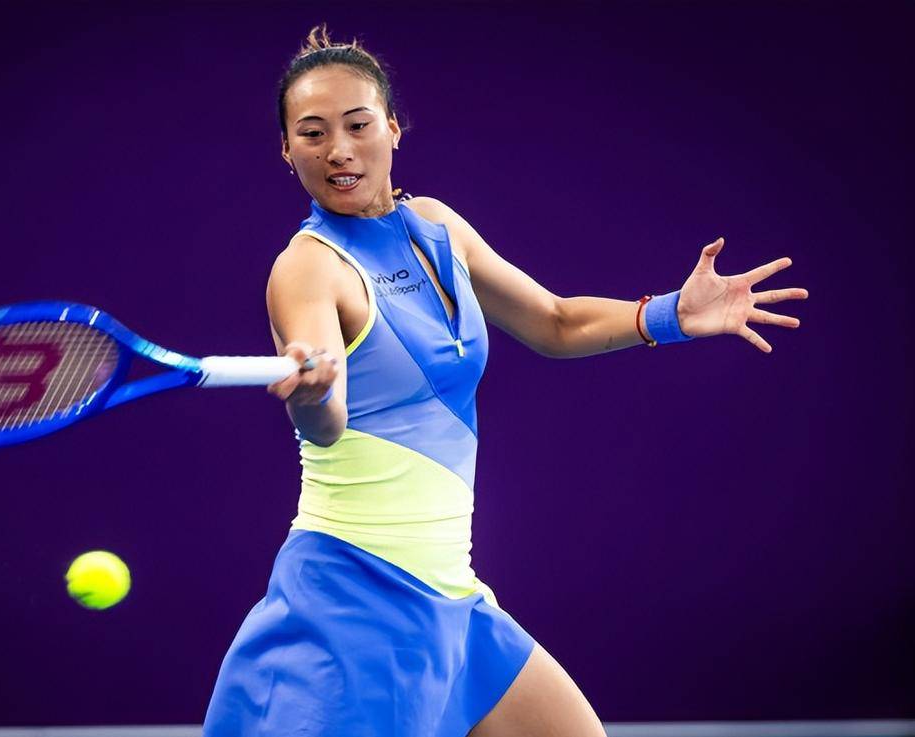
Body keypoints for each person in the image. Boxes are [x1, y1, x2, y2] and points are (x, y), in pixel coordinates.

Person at [203, 25, 807, 737]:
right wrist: (312, 393)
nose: (338, 149)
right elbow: (326, 419)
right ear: (287, 150)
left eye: (357, 124)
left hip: (450, 595)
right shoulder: (307, 267)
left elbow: (554, 321)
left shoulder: (436, 226)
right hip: (356, 595)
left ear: (392, 128)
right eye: (312, 133)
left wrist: (673, 314)